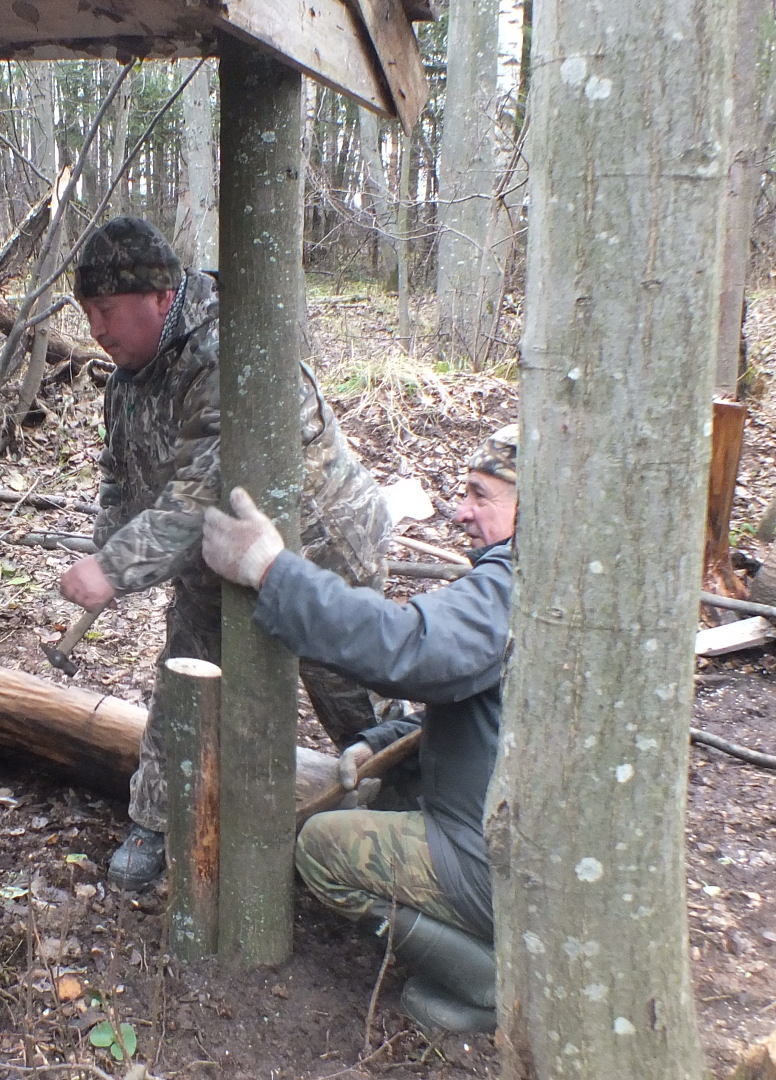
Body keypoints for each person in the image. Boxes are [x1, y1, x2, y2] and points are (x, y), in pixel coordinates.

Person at [56, 216, 392, 890]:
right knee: (186, 677)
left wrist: (114, 569)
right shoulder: (127, 377)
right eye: (86, 312)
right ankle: (155, 823)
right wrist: (107, 547)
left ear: (158, 295)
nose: (94, 327)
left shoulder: (230, 350)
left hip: (319, 549)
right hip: (214, 558)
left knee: (351, 694)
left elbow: (204, 487)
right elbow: (121, 476)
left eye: (105, 311)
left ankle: (412, 823)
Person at [200, 425, 520, 1035]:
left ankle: (495, 981)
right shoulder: (577, 589)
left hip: (501, 864)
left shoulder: (512, 588)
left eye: (481, 495)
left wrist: (272, 571)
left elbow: (408, 645)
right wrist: (380, 742)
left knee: (322, 848)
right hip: (534, 849)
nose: (460, 511)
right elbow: (487, 701)